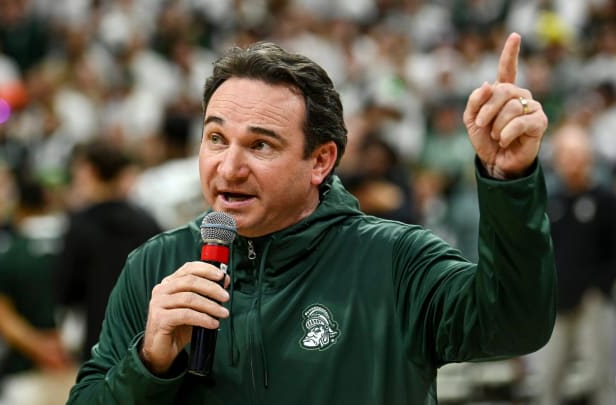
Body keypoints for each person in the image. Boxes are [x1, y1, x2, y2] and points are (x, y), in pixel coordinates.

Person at [66, 33, 555, 404]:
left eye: (260, 145)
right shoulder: (156, 265)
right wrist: (149, 362)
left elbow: (516, 324)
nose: (228, 166)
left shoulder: (395, 260)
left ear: (320, 161)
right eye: (216, 138)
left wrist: (508, 180)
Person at [531, 123, 616, 405]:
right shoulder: (551, 202)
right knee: (548, 377)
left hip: (593, 301)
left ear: (589, 157)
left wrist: (600, 286)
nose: (572, 161)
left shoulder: (605, 200)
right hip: (556, 304)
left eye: (578, 153)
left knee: (601, 376)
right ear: (557, 161)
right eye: (566, 154)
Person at [57, 140, 162, 361]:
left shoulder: (79, 226)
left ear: (90, 171)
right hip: (146, 337)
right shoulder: (147, 222)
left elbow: (66, 290)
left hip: (100, 338)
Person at [0, 176, 76, 405]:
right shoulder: (80, 243)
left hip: (27, 369)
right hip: (83, 364)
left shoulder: (8, 252)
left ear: (18, 207)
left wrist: (40, 347)